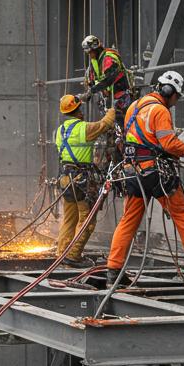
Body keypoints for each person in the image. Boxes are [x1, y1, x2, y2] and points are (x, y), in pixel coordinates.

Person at [105, 70, 184, 287]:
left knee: (128, 222)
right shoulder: (160, 110)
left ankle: (114, 271)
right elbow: (169, 144)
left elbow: (138, 140)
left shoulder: (135, 106)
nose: (176, 102)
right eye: (176, 97)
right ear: (168, 91)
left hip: (133, 173)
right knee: (182, 215)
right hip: (156, 174)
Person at [54, 94, 117, 266]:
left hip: (65, 180)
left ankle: (62, 253)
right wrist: (112, 111)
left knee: (69, 219)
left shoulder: (59, 131)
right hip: (80, 181)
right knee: (88, 220)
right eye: (80, 108)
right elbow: (105, 124)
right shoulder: (84, 129)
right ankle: (73, 255)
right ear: (78, 110)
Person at [80, 35, 132, 115]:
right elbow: (92, 81)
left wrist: (91, 92)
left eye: (90, 52)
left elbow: (109, 80)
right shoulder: (94, 63)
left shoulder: (109, 58)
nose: (89, 55)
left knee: (122, 120)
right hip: (109, 99)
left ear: (96, 49)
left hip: (121, 96)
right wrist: (86, 95)